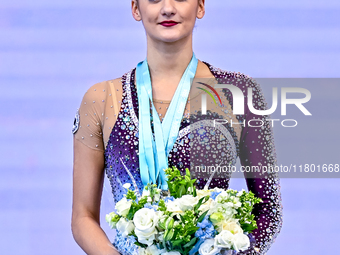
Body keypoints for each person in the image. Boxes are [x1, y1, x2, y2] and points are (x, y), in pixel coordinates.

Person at [71, 0, 283, 254]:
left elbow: (268, 212)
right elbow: (83, 216)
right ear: (135, 8)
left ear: (201, 6)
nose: (168, 8)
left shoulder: (239, 94)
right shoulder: (102, 99)